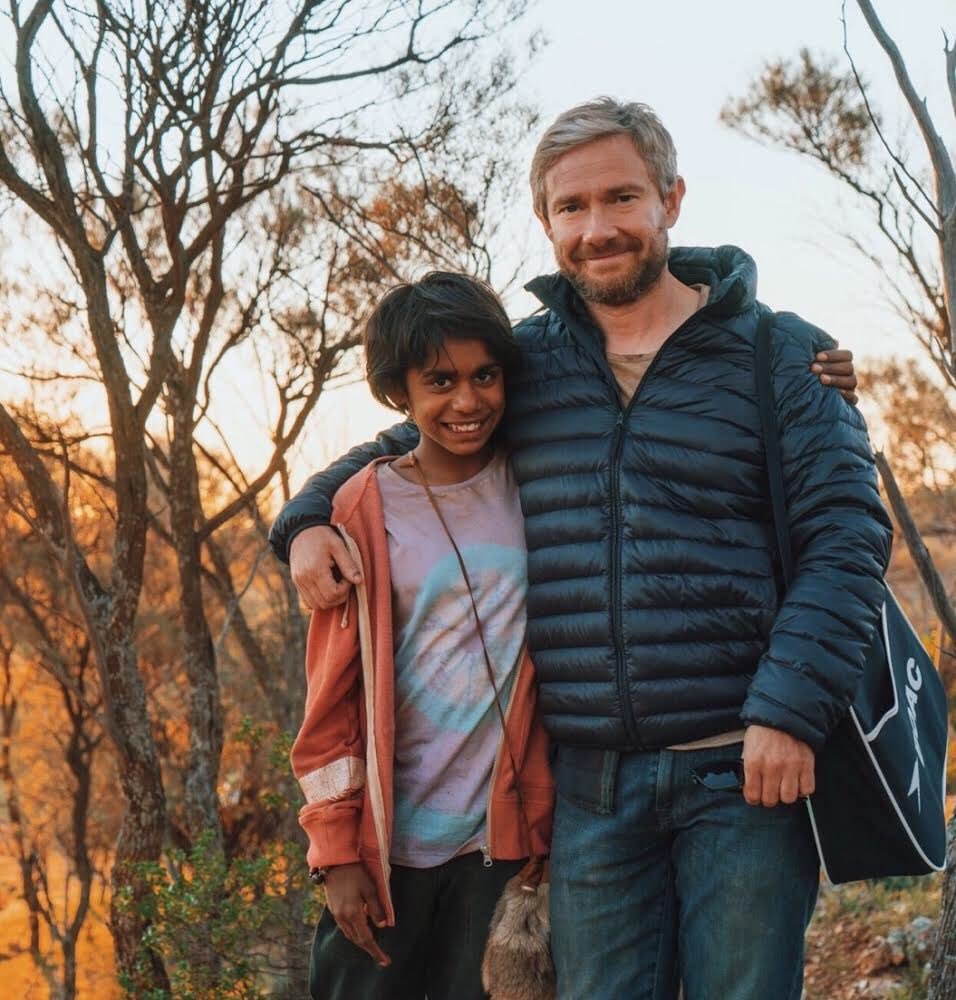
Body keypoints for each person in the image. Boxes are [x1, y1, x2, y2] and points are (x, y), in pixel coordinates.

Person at [276, 98, 892, 999]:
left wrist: (790, 711)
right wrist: (304, 519)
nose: (597, 228)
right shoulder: (529, 365)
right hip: (588, 788)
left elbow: (848, 538)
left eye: (621, 198)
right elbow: (414, 442)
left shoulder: (780, 356)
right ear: (546, 220)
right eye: (572, 208)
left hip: (745, 772)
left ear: (671, 200)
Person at [290, 271, 553, 1000]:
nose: (467, 402)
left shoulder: (532, 481)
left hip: (501, 844)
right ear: (398, 391)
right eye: (440, 381)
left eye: (484, 376)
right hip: (389, 848)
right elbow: (330, 704)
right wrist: (336, 851)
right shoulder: (362, 507)